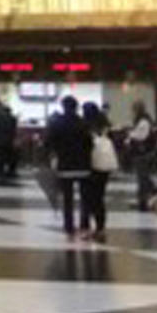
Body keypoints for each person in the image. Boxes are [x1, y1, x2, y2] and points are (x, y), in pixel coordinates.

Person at [45, 94, 92, 239]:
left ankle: (69, 225)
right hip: (83, 166)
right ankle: (85, 224)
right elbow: (89, 144)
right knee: (85, 197)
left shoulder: (57, 123)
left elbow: (49, 143)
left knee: (67, 198)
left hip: (65, 165)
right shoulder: (83, 123)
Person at [81, 101, 114, 242]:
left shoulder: (85, 127)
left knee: (86, 198)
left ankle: (86, 228)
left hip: (89, 166)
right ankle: (100, 228)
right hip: (104, 167)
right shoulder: (105, 125)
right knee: (99, 198)